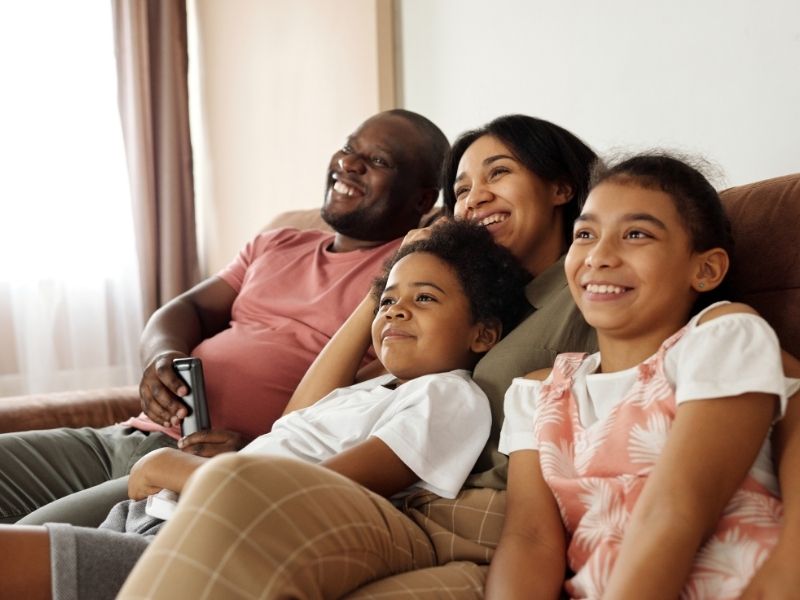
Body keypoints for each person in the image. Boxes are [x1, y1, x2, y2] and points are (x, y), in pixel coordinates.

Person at [112, 114, 603, 598]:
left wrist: (178, 469)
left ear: (561, 188)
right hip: (244, 483)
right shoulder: (460, 308)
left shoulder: (582, 288)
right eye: (461, 189)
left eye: (498, 173)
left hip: (435, 509)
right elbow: (303, 416)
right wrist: (386, 285)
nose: (474, 199)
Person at [0, 220, 532, 600]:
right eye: (388, 298)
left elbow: (318, 493)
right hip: (163, 514)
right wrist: (378, 297)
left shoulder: (447, 396)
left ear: (482, 332)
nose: (395, 309)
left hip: (206, 540)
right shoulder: (375, 389)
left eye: (424, 299)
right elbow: (294, 419)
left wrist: (184, 471)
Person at [0, 108, 450, 527]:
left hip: (205, 467)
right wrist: (163, 358)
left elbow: (364, 402)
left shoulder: (407, 277)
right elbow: (185, 309)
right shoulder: (276, 244)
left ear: (422, 198)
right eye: (350, 147)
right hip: (131, 436)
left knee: (24, 549)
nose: (349, 164)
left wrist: (263, 451)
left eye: (377, 160)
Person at [487, 154, 800, 599]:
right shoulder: (537, 392)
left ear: (705, 269)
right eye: (586, 234)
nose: (599, 256)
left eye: (636, 234)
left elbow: (677, 509)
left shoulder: (724, 336)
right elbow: (530, 539)